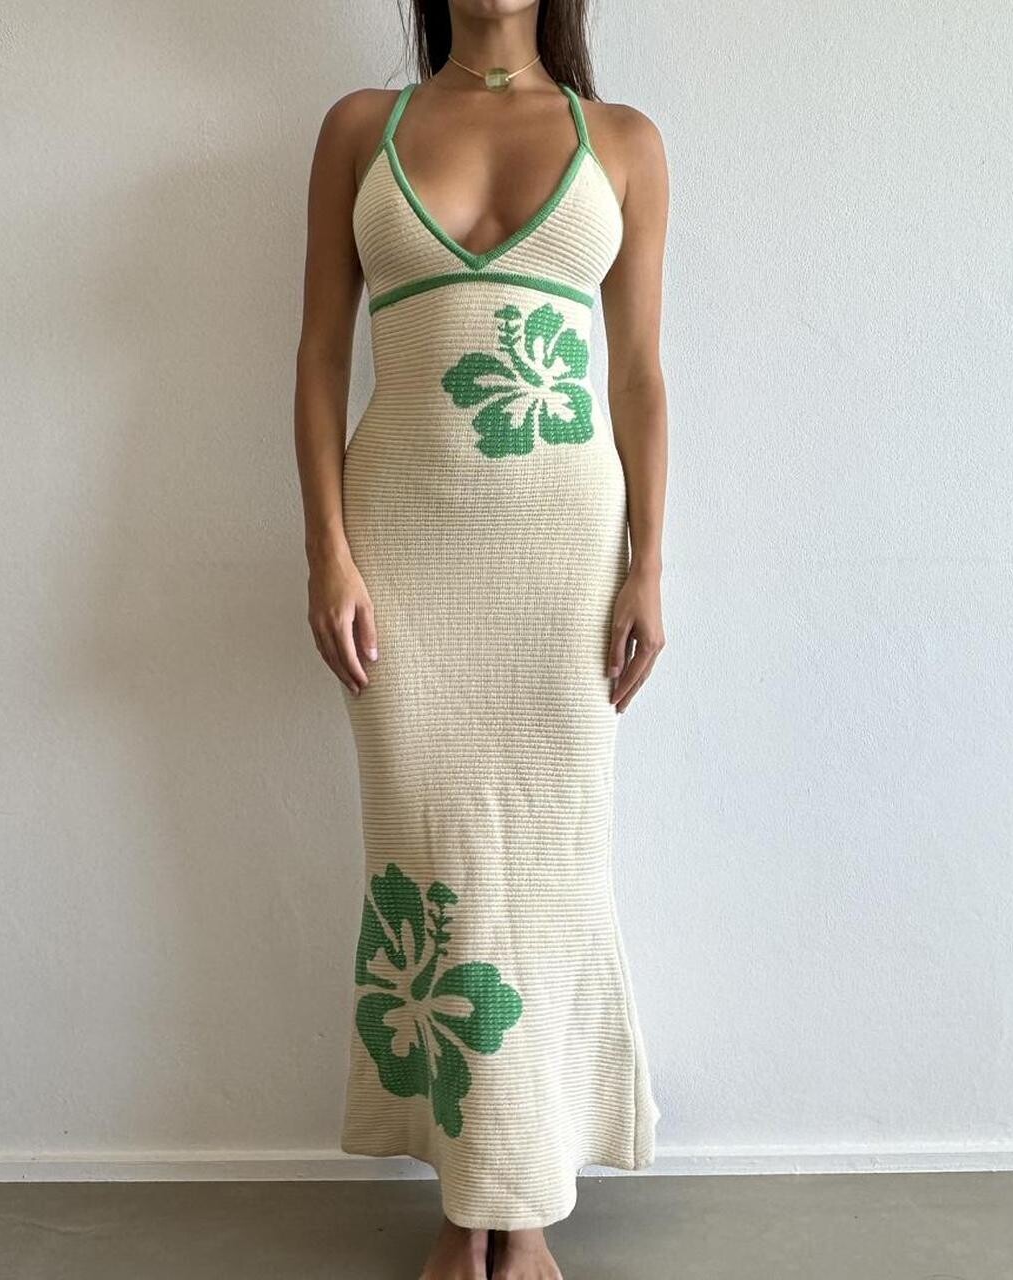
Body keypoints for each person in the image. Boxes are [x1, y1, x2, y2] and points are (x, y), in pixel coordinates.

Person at [293, 2, 669, 1276]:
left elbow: (637, 374)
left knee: (551, 864)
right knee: (430, 857)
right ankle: (470, 1202)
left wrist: (647, 564)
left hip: (564, 561)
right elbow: (318, 357)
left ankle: (521, 1203)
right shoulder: (361, 129)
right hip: (402, 548)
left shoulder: (622, 139)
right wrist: (326, 550)